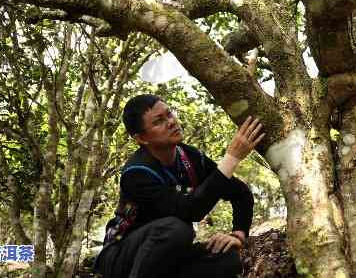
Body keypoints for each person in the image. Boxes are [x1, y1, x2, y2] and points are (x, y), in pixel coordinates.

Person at [94, 94, 264, 278]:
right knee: (176, 229)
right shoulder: (136, 173)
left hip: (166, 256)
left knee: (228, 259)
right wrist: (232, 158)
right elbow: (191, 210)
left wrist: (238, 236)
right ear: (142, 138)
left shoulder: (190, 157)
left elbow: (240, 193)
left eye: (169, 114)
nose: (171, 122)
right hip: (121, 257)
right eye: (159, 121)